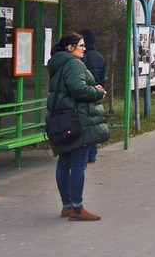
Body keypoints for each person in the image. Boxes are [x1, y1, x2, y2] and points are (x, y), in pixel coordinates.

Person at [46, 32, 109, 221]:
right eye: (80, 45)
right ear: (69, 47)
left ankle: (66, 206)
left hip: (62, 118)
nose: (84, 49)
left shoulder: (58, 63)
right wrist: (97, 92)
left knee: (64, 162)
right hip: (77, 119)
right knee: (78, 165)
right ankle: (76, 207)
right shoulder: (74, 63)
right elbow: (78, 89)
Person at [79, 29, 106, 163]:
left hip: (85, 94)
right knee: (94, 123)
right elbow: (102, 77)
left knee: (84, 124)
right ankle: (93, 153)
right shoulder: (100, 57)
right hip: (97, 93)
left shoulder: (82, 57)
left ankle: (86, 153)